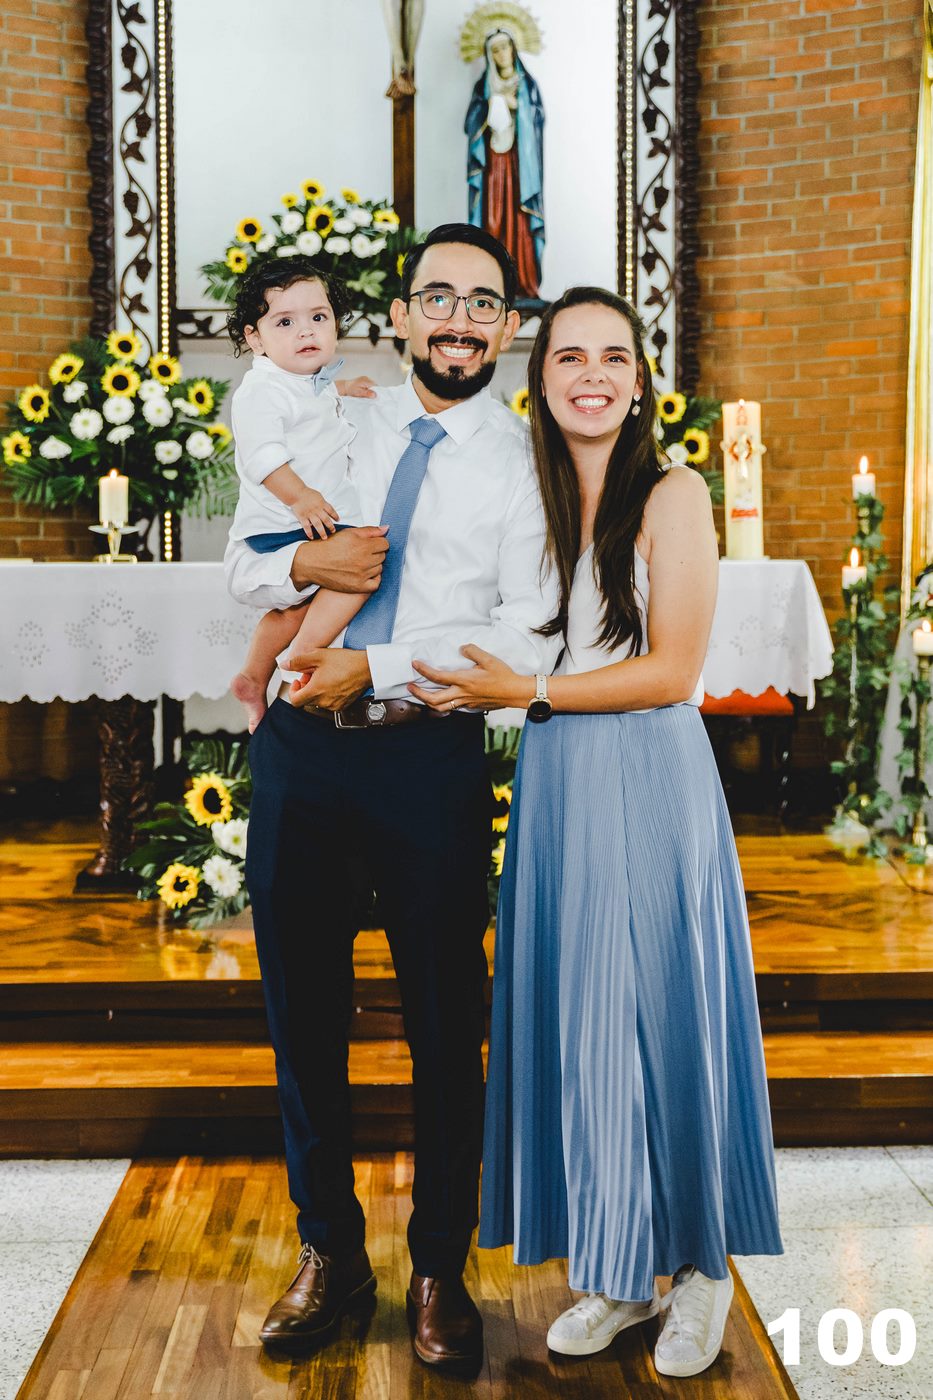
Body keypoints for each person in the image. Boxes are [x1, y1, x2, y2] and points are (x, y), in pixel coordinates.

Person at [410, 287, 783, 1380]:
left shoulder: (673, 492)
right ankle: (621, 1271)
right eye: (570, 355)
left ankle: (700, 1268)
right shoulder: (526, 497)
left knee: (663, 1011)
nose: (592, 374)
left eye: (613, 356)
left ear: (639, 380)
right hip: (560, 774)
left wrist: (525, 688)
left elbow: (673, 669)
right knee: (582, 1020)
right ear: (539, 377)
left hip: (648, 766)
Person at [225, 224, 560, 1368]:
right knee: (303, 1013)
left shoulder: (523, 461)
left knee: (445, 1021)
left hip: (429, 759)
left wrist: (379, 662)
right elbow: (244, 559)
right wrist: (301, 566)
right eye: (438, 298)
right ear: (403, 316)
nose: (460, 319)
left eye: (484, 303)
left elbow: (527, 630)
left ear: (505, 330)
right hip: (304, 754)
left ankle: (438, 1264)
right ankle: (329, 1249)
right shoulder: (333, 413)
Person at [227, 257, 380, 734]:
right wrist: (301, 498)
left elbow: (311, 400)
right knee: (361, 573)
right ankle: (302, 661)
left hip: (306, 518)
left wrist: (343, 387)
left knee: (294, 608)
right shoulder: (260, 390)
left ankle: (254, 676)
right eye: (285, 322)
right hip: (289, 518)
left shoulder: (304, 381)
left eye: (318, 316)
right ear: (255, 338)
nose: (306, 330)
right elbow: (263, 458)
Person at [466, 28, 544, 298]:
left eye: (505, 47)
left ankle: (523, 282)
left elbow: (538, 118)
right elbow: (471, 122)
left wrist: (518, 106)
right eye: (495, 50)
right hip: (493, 166)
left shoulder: (527, 85)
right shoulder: (484, 87)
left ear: (513, 49)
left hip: (520, 165)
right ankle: (490, 285)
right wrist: (492, 105)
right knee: (493, 219)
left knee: (520, 220)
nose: (501, 54)